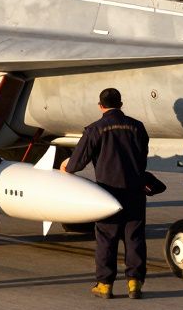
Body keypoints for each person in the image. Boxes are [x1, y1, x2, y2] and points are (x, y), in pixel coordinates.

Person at [61, 87, 150, 299]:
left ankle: (105, 285)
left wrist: (67, 167)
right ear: (121, 103)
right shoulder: (138, 127)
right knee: (134, 237)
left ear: (100, 105)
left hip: (108, 191)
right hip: (135, 190)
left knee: (106, 239)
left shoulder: (95, 129)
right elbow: (143, 155)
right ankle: (134, 284)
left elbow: (78, 161)